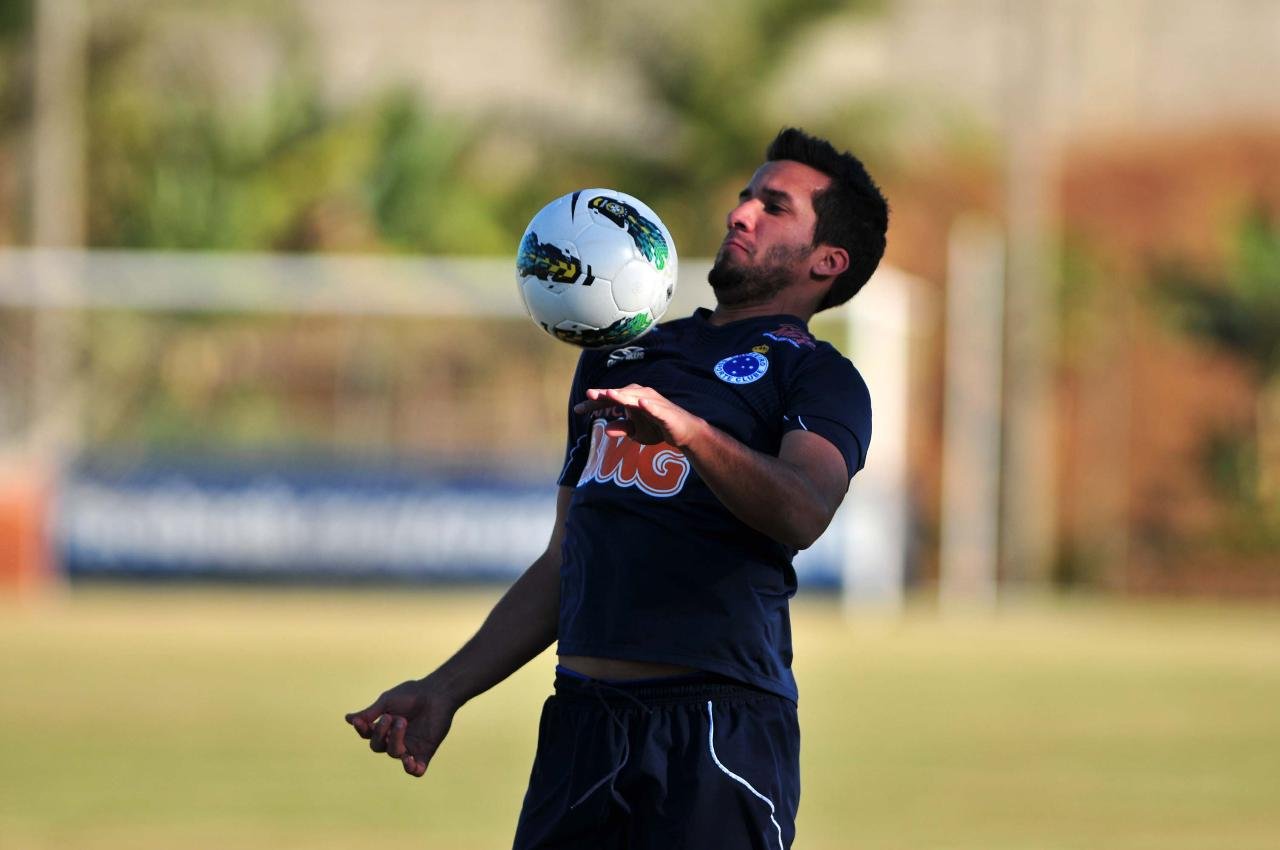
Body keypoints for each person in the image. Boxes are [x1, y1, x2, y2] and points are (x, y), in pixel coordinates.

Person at [344, 127, 889, 849]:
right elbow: (565, 559)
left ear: (827, 260)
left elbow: (803, 507)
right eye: (744, 197)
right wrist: (445, 689)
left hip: (717, 730)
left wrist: (689, 435)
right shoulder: (620, 353)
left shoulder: (820, 376)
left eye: (773, 206)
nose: (740, 214)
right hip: (583, 723)